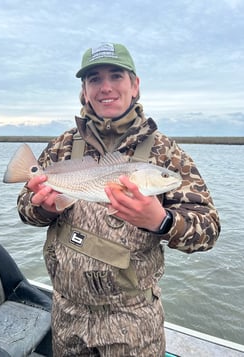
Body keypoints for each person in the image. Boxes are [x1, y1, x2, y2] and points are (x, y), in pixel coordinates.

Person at [17, 42, 220, 357]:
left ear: (135, 85)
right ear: (84, 90)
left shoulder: (165, 152)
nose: (105, 87)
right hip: (66, 314)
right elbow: (24, 207)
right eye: (94, 79)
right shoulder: (61, 146)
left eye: (116, 76)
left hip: (133, 322)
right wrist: (39, 208)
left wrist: (162, 221)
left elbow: (208, 231)